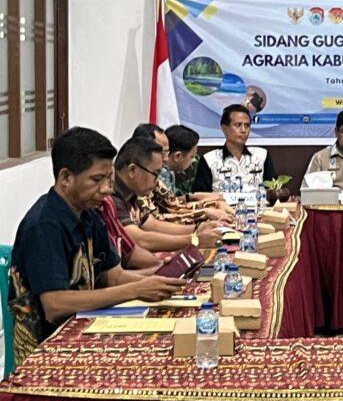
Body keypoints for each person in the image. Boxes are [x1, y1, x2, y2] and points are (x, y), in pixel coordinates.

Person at [8, 127, 186, 365]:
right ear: (66, 178)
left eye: (109, 179)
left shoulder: (90, 213)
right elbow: (55, 305)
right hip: (47, 346)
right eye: (96, 180)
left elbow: (113, 276)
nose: (107, 189)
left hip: (86, 325)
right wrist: (136, 289)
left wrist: (160, 275)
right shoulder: (44, 225)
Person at [114, 137, 219, 252]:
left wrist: (198, 228)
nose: (157, 181)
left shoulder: (132, 191)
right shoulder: (112, 196)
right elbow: (139, 240)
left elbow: (151, 224)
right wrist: (194, 239)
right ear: (132, 170)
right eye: (156, 173)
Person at [193, 104, 278, 193]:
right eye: (238, 125)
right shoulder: (209, 159)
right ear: (224, 128)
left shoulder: (262, 155)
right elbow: (200, 195)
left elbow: (274, 190)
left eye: (247, 125)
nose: (244, 130)